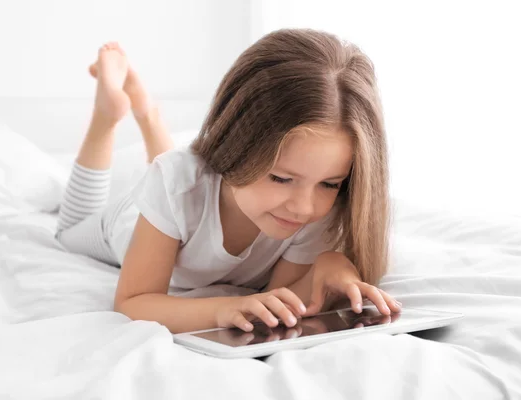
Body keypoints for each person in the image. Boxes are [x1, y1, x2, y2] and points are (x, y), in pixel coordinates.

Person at [55, 29, 402, 334]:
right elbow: (133, 303)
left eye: (330, 184)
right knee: (69, 231)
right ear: (236, 146)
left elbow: (276, 301)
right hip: (132, 223)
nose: (304, 206)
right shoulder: (175, 183)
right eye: (281, 178)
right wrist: (220, 310)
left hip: (185, 189)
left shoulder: (311, 209)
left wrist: (330, 269)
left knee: (180, 180)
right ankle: (109, 116)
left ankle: (149, 114)